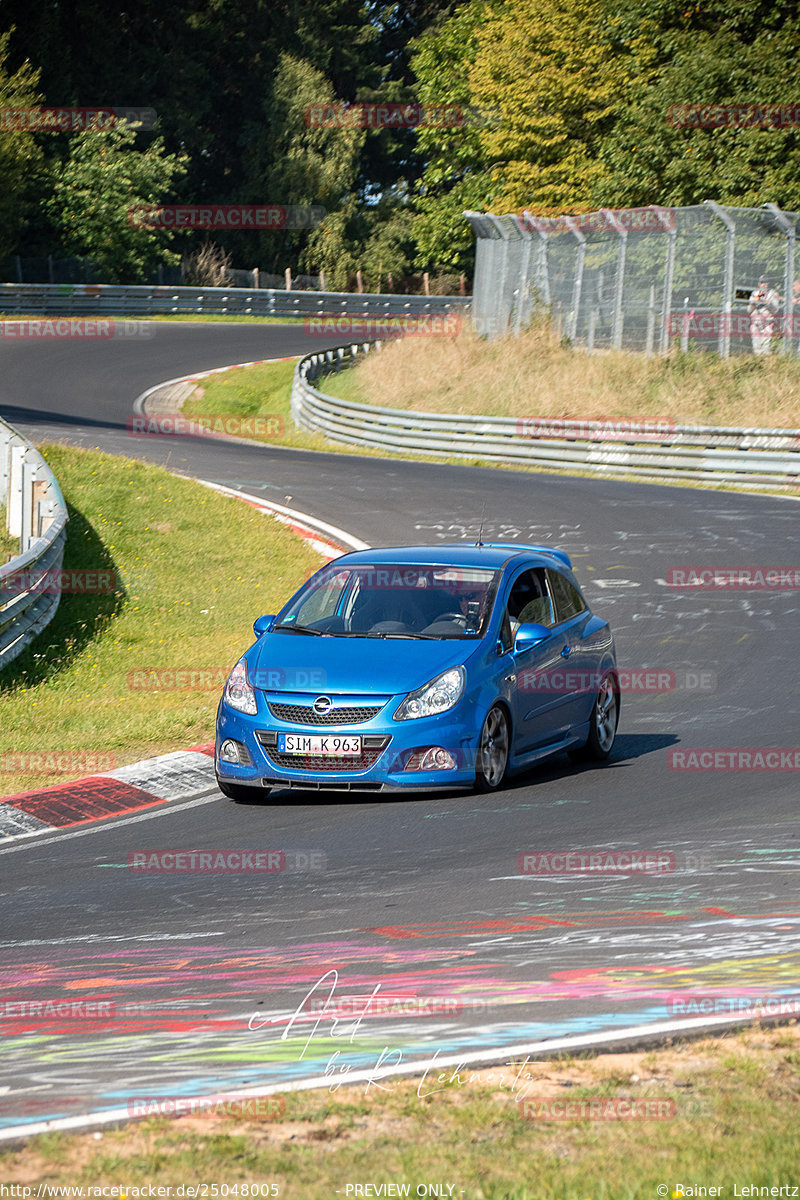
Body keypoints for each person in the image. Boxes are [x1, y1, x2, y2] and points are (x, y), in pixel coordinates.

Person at [748, 275, 781, 356]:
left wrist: (768, 304)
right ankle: (758, 365)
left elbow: (775, 310)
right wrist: (753, 303)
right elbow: (749, 309)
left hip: (767, 324)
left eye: (765, 282)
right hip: (755, 323)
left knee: (765, 347)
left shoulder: (773, 293)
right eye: (762, 282)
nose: (764, 284)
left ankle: (766, 365)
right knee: (756, 347)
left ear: (768, 283)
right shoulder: (754, 293)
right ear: (759, 283)